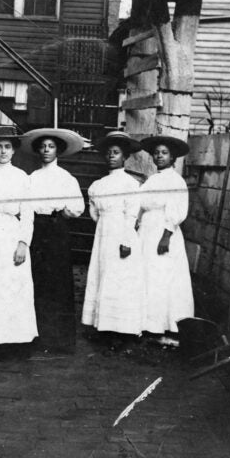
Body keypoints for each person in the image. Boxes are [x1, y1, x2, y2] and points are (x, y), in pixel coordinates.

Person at [22, 128, 85, 352]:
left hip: (57, 230)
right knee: (38, 281)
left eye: (51, 147)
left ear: (57, 150)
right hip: (38, 230)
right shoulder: (32, 178)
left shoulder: (66, 178)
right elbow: (26, 207)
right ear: (38, 150)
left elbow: (78, 207)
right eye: (43, 147)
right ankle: (39, 335)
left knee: (58, 283)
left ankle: (60, 340)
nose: (46, 150)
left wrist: (61, 215)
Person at [0, 125, 37, 358]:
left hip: (12, 233)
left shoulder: (22, 177)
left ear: (14, 151)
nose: (3, 151)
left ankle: (14, 339)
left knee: (12, 286)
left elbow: (28, 213)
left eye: (7, 147)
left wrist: (23, 242)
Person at [81, 131, 145, 347]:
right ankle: (102, 326)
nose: (111, 156)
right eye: (108, 153)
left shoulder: (130, 184)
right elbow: (94, 214)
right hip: (103, 234)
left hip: (122, 234)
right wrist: (104, 225)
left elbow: (132, 214)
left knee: (119, 280)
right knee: (102, 276)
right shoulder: (98, 185)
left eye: (116, 153)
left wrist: (126, 240)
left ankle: (121, 330)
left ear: (124, 156)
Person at [138, 135, 194, 335]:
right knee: (146, 274)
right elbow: (142, 204)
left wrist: (166, 236)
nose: (159, 156)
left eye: (164, 153)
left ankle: (162, 324)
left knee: (161, 275)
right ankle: (146, 322)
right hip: (147, 230)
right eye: (156, 153)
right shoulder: (153, 179)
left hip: (162, 231)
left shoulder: (175, 180)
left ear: (173, 158)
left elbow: (177, 209)